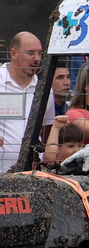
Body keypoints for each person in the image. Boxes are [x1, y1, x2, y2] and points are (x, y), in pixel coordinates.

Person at [0, 32, 42, 171]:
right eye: (30, 53)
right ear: (14, 53)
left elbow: (47, 128)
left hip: (33, 174)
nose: (36, 58)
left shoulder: (44, 88)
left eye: (39, 53)